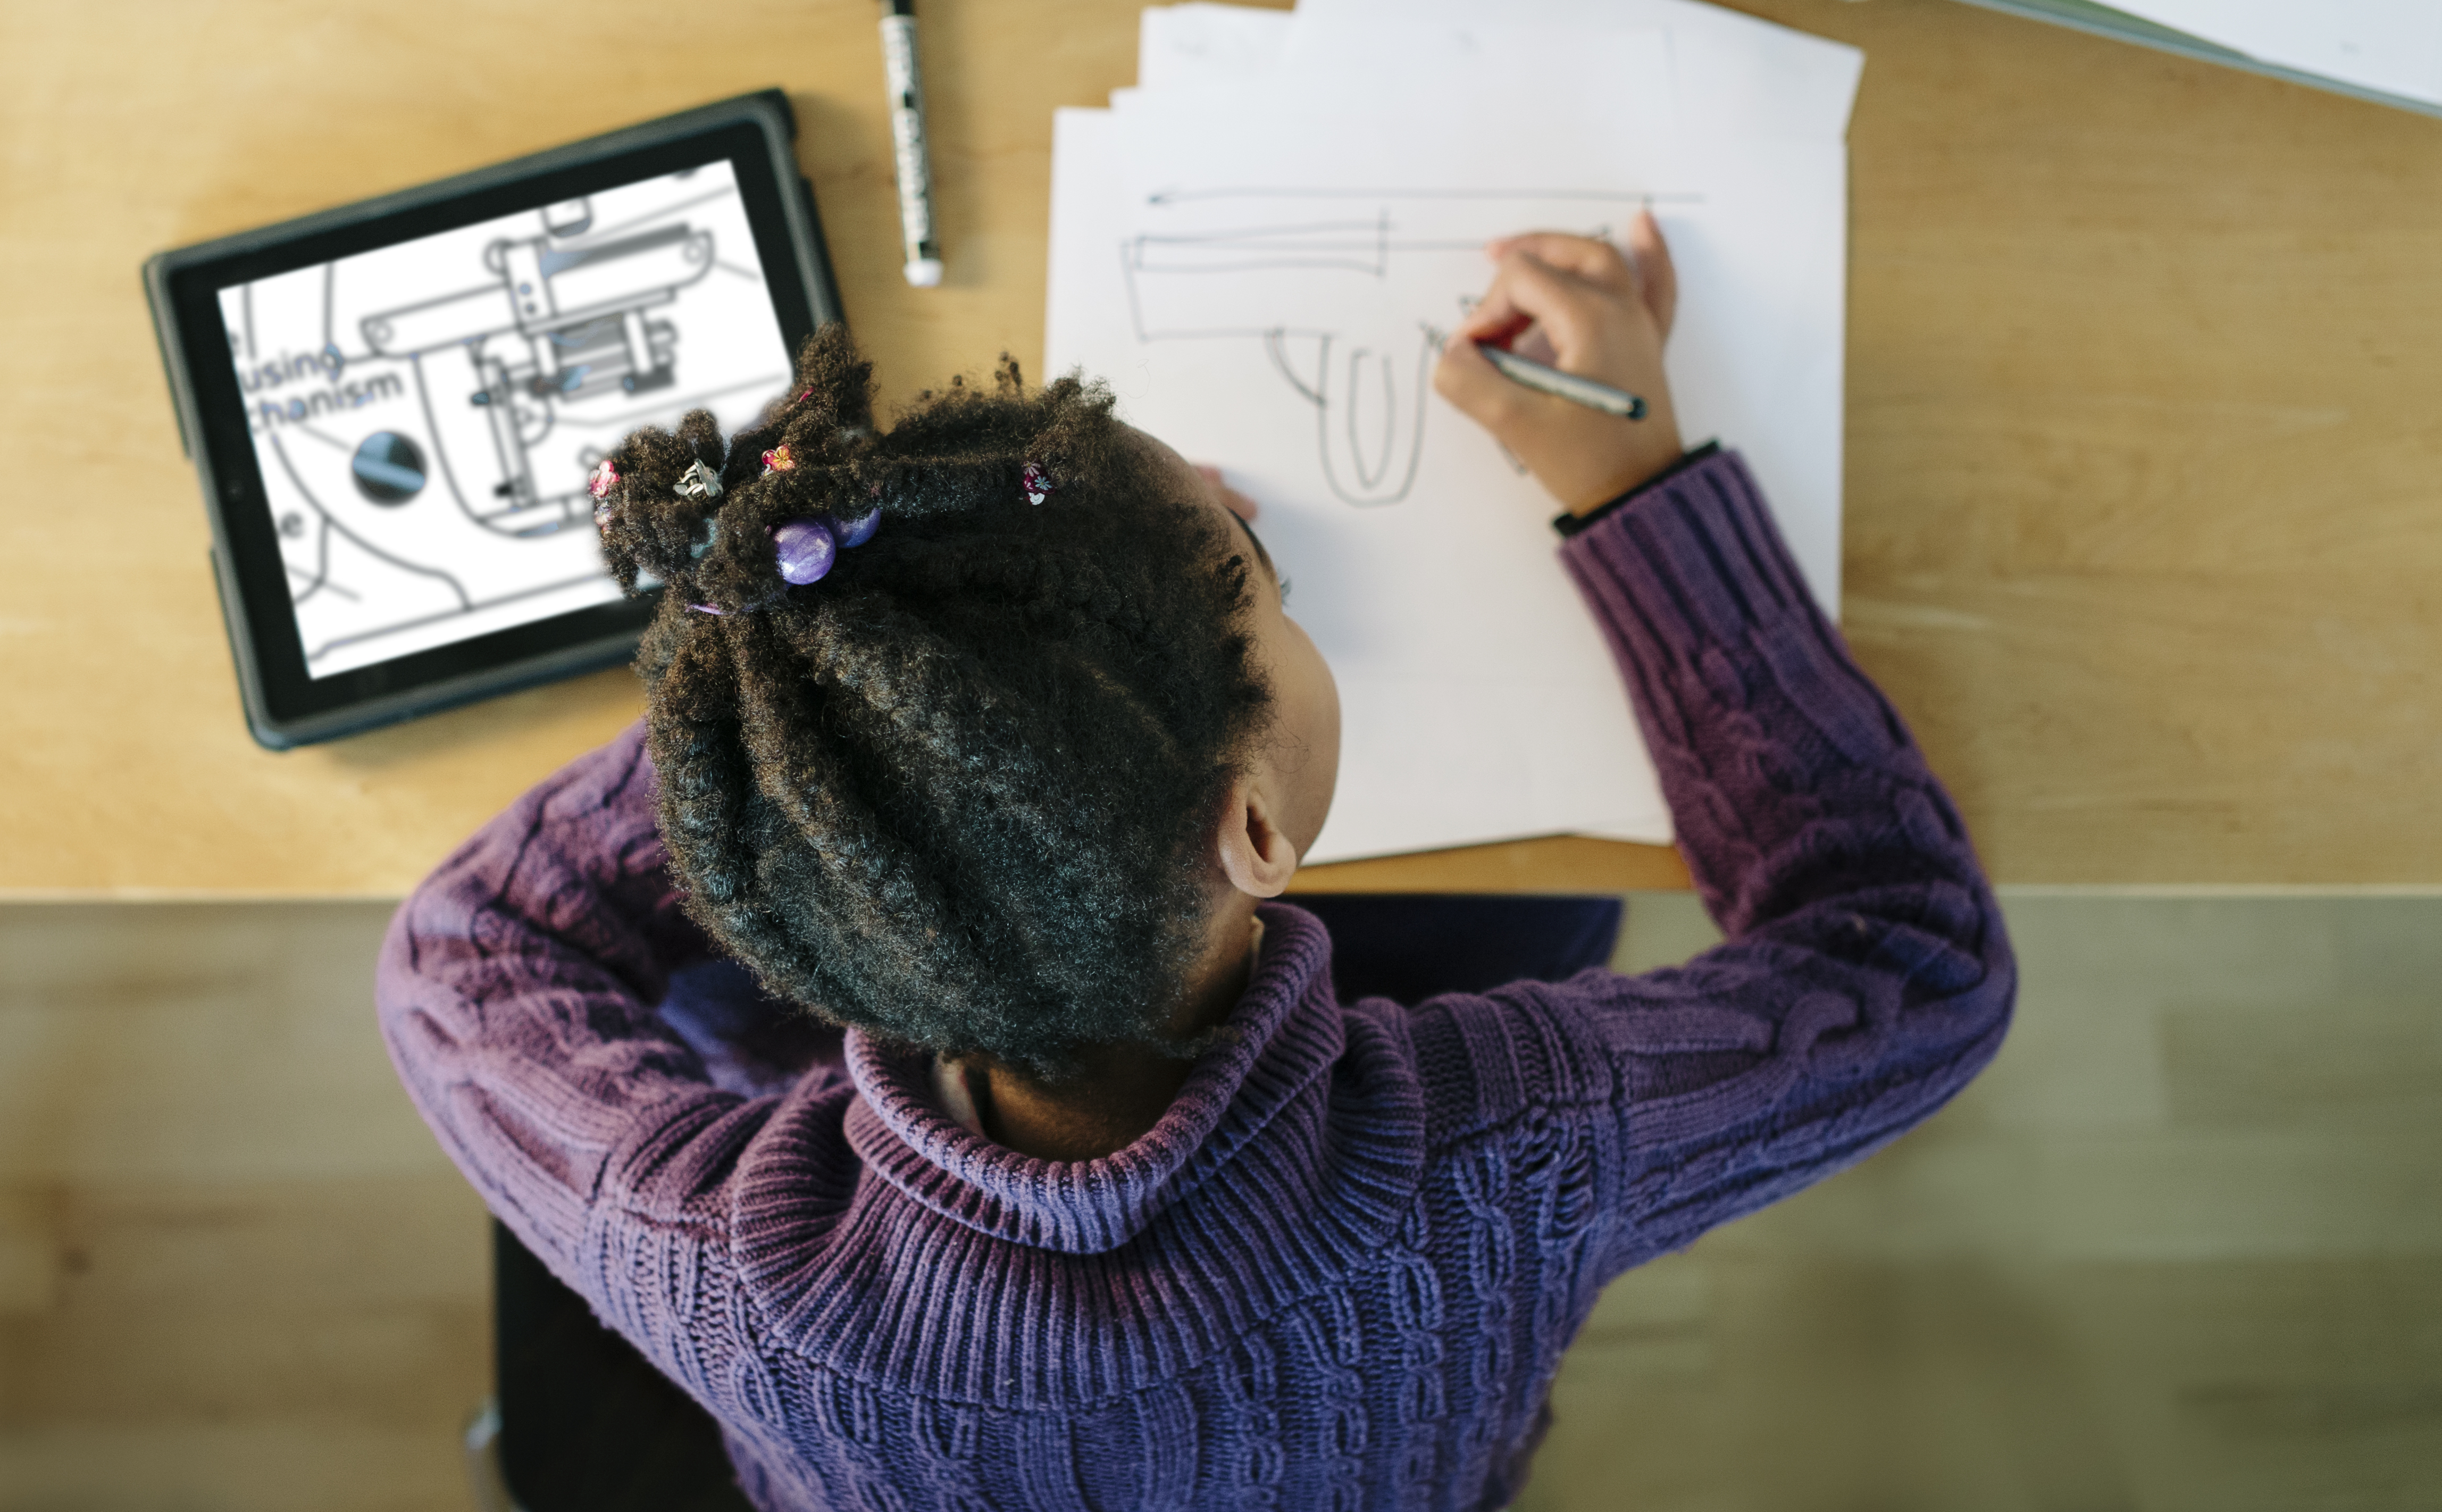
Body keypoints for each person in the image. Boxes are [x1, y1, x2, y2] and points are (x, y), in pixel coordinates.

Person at [379, 212, 2015, 1510]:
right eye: (1267, 592)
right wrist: (1639, 491)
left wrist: (821, 709)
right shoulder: (1508, 1149)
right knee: (1543, 903)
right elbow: (1912, 958)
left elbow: (462, 948)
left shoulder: (719, 1263)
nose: (1276, 587)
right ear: (1254, 830)